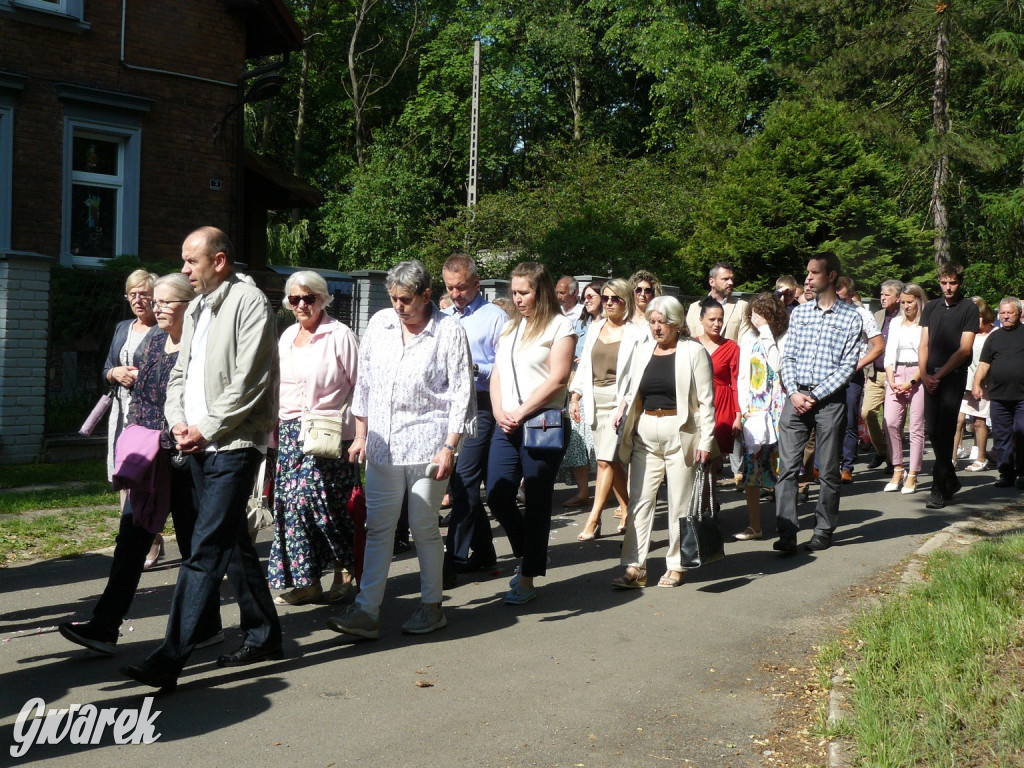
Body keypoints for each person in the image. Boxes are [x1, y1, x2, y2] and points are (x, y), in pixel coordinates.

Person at [120, 227, 282, 691]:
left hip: (233, 445)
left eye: (192, 261)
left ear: (220, 261)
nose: (184, 270)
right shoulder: (199, 308)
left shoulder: (248, 303)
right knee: (231, 541)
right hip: (193, 442)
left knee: (204, 550)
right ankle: (265, 632)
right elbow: (180, 377)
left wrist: (206, 428)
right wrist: (177, 423)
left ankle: (169, 658)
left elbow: (249, 382)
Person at [60, 274, 223, 655]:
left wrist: (175, 434)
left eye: (167, 302)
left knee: (193, 544)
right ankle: (103, 626)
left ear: (189, 306)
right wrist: (142, 432)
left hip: (187, 458)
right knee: (131, 540)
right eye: (156, 302)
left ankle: (208, 624)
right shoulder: (152, 341)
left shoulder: (201, 348)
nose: (157, 308)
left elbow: (201, 401)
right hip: (152, 456)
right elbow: (140, 398)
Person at [328, 260, 475, 638]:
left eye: (406, 299)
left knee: (424, 525)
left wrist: (449, 446)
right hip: (382, 444)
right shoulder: (379, 324)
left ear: (427, 296)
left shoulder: (449, 331)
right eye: (394, 298)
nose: (398, 306)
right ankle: (366, 609)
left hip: (429, 444)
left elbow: (461, 393)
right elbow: (365, 382)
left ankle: (431, 606)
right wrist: (360, 433)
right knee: (378, 527)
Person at [267, 271, 360, 606]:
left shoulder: (339, 334)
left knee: (321, 503)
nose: (302, 304)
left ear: (323, 298)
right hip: (290, 431)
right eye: (295, 299)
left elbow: (360, 386)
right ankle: (307, 581)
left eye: (309, 298)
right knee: (289, 507)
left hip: (329, 431)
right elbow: (279, 385)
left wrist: (357, 431)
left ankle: (345, 567)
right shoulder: (288, 335)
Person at [611, 296, 715, 589]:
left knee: (679, 503)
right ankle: (635, 566)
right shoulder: (643, 350)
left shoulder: (693, 351)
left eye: (662, 323)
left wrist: (706, 441)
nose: (656, 328)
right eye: (652, 322)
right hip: (646, 430)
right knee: (640, 501)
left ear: (677, 323)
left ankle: (676, 564)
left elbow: (706, 402)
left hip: (681, 431)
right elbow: (633, 392)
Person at [486, 262, 575, 605]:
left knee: (537, 501)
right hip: (506, 422)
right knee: (497, 493)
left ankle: (527, 577)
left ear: (541, 291)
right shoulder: (510, 328)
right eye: (515, 292)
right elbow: (497, 375)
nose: (518, 298)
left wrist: (521, 412)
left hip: (541, 424)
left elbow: (558, 378)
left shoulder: (560, 325)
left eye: (524, 292)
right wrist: (499, 412)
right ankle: (531, 553)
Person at [775, 253, 862, 554]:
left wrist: (816, 394)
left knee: (827, 469)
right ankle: (787, 532)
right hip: (796, 397)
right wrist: (794, 394)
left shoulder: (851, 317)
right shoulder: (799, 314)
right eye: (807, 273)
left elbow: (848, 366)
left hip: (829, 401)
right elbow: (788, 356)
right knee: (786, 466)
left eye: (814, 273)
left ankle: (823, 529)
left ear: (832, 276)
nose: (808, 279)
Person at [440, 254, 508, 589]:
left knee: (465, 477)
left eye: (462, 287)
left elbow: (506, 366)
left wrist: (476, 371)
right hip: (450, 406)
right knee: (458, 480)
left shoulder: (495, 317)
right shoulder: (442, 318)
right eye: (451, 288)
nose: (456, 294)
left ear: (476, 284)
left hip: (482, 404)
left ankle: (451, 560)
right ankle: (484, 553)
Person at [570, 278, 646, 540]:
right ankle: (627, 508)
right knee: (611, 462)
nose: (610, 303)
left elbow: (638, 373)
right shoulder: (595, 328)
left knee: (603, 461)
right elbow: (584, 366)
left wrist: (626, 402)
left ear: (626, 301)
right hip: (594, 399)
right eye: (606, 298)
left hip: (619, 402)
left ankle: (594, 518)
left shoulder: (637, 333)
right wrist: (575, 395)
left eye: (616, 299)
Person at [103, 269, 161, 565]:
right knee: (121, 474)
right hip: (119, 410)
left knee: (139, 475)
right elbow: (106, 368)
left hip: (145, 412)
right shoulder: (123, 327)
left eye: (144, 295)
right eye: (133, 295)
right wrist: (114, 373)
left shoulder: (162, 330)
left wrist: (139, 377)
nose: (138, 300)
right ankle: (133, 535)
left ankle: (144, 537)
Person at [919, 262, 978, 509]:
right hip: (929, 376)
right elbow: (923, 343)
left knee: (944, 430)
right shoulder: (931, 306)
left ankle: (938, 488)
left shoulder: (968, 309)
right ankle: (951, 479)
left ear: (960, 283)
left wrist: (940, 375)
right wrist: (924, 374)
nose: (948, 288)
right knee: (932, 431)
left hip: (952, 377)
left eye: (952, 283)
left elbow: (964, 349)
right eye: (944, 283)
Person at [734, 293, 788, 540]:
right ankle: (754, 525)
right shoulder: (747, 337)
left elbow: (778, 365)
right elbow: (743, 374)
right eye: (754, 316)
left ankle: (786, 524)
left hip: (779, 409)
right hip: (754, 410)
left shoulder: (784, 336)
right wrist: (743, 407)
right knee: (752, 467)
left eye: (762, 315)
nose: (756, 320)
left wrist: (767, 332)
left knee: (781, 467)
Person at [559, 279, 604, 509]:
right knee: (577, 442)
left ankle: (617, 495)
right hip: (579, 387)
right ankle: (583, 492)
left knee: (602, 447)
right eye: (584, 297)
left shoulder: (612, 325)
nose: (585, 301)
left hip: (602, 389)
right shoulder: (580, 324)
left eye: (590, 297)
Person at [973, 297, 1024, 488]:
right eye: (1002, 313)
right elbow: (984, 363)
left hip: (1022, 397)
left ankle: (1023, 472)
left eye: (1010, 312)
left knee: (1021, 432)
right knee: (1002, 437)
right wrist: (977, 383)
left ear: (1019, 313)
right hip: (999, 397)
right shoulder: (994, 337)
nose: (1006, 316)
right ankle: (1006, 473)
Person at [882, 284, 928, 494]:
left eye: (910, 302)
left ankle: (913, 473)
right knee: (890, 422)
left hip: (918, 375)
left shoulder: (926, 323)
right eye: (903, 302)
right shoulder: (896, 323)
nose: (906, 306)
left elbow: (926, 356)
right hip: (896, 373)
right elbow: (889, 353)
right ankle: (898, 468)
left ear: (919, 301)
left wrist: (911, 382)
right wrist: (892, 380)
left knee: (916, 426)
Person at [838, 282, 884, 484]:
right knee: (826, 421)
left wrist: (858, 364)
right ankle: (821, 466)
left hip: (851, 374)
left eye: (843, 297)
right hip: (827, 373)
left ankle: (846, 466)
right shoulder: (825, 311)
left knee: (849, 419)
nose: (838, 301)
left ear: (851, 295)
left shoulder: (863, 314)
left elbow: (878, 345)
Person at [694, 297, 740, 478]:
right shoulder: (691, 344)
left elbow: (736, 383)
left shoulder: (731, 347)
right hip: (696, 404)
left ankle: (707, 501)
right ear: (701, 320)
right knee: (695, 454)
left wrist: (738, 416)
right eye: (712, 319)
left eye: (720, 319)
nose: (717, 324)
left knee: (713, 458)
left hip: (722, 404)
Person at [862, 280, 904, 471]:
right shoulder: (878, 316)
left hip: (895, 375)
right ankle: (883, 452)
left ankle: (894, 460)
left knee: (892, 421)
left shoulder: (906, 317)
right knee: (867, 413)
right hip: (875, 373)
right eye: (882, 294)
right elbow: (871, 344)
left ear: (898, 297)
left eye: (887, 294)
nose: (883, 297)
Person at [954, 297, 995, 471]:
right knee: (957, 420)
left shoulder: (994, 334)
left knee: (979, 422)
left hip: (984, 383)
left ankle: (981, 458)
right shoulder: (967, 332)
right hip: (964, 381)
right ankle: (952, 458)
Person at [685, 262, 752, 342]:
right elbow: (689, 339)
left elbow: (744, 342)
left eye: (732, 279)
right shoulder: (694, 308)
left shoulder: (742, 307)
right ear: (712, 282)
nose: (731, 283)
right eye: (725, 279)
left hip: (731, 354)